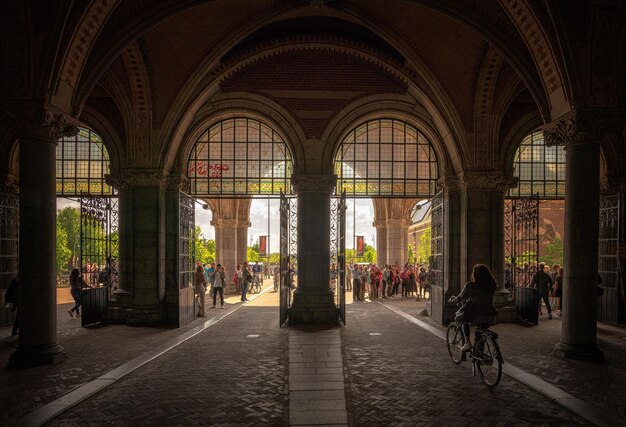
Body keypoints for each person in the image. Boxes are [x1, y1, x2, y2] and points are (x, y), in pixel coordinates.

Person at [452, 264, 498, 352]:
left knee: (462, 319)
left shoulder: (470, 285)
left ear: (475, 274)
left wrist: (455, 299)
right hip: (490, 314)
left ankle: (467, 342)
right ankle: (479, 353)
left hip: (476, 314)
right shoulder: (492, 285)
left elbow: (461, 296)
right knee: (480, 333)